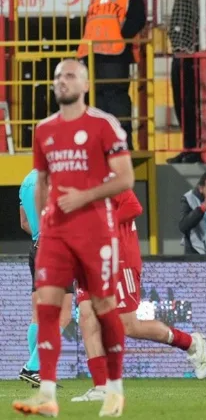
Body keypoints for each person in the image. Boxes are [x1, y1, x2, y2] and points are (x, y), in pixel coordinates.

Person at [13, 59, 134, 417]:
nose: (61, 81)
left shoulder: (104, 125)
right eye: (57, 77)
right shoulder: (44, 130)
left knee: (104, 308)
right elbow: (42, 182)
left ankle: (113, 389)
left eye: (69, 75)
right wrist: (45, 227)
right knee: (49, 309)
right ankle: (47, 393)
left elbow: (125, 179)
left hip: (95, 231)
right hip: (56, 236)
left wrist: (82, 198)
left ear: (84, 85)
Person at [71, 187, 206, 402]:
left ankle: (191, 342)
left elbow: (133, 206)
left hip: (119, 260)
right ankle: (102, 387)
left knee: (129, 326)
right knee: (87, 317)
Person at [77, 0, 146, 150]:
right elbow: (89, 26)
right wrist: (83, 55)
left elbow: (137, 19)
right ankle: (101, 144)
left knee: (116, 98)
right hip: (94, 56)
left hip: (116, 55)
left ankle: (123, 145)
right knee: (96, 100)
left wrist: (120, 36)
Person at [18, 169, 74, 387]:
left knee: (37, 315)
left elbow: (24, 222)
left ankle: (38, 375)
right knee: (64, 314)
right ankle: (32, 367)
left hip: (37, 247)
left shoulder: (26, 181)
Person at [166, 0, 201, 164]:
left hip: (189, 55)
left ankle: (194, 148)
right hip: (179, 53)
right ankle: (188, 146)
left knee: (188, 102)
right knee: (181, 102)